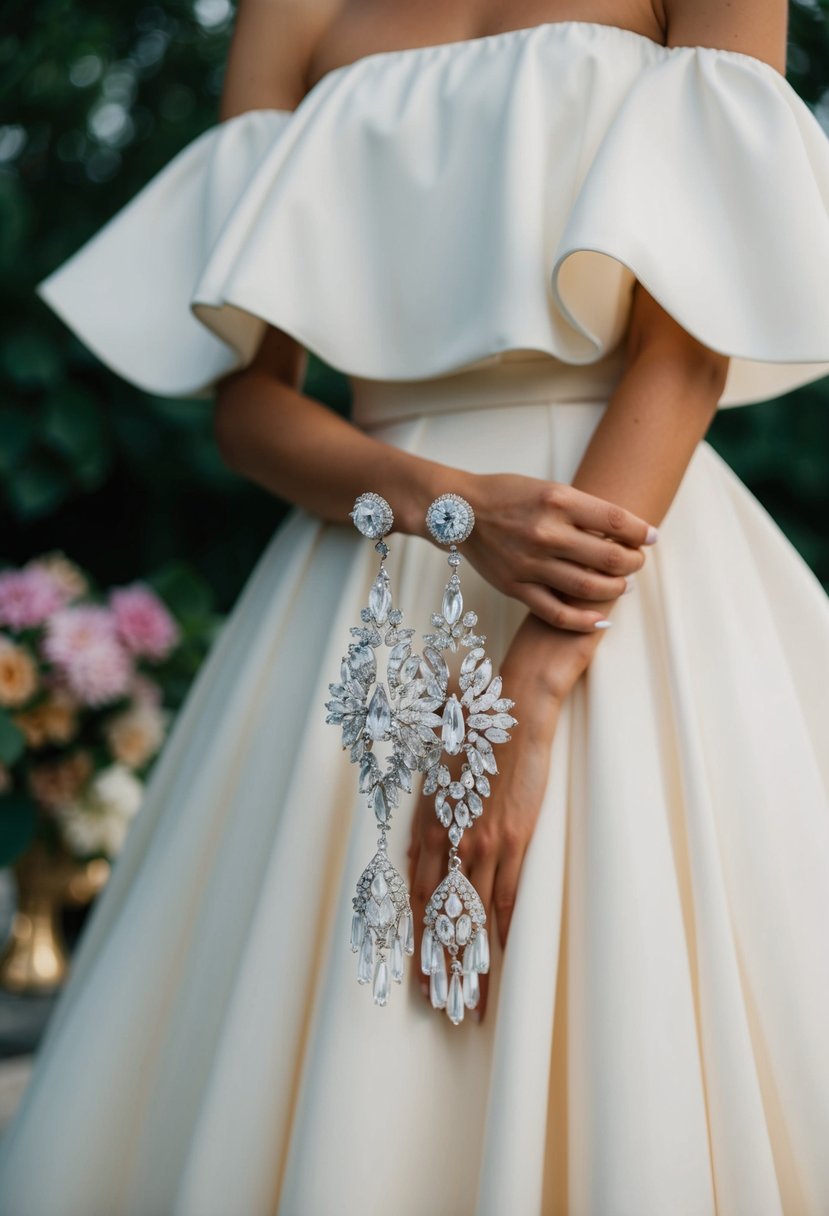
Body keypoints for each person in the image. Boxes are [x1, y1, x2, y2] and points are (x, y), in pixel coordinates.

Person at [2, 0, 829, 1212]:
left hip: (629, 571)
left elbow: (687, 341)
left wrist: (533, 683)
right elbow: (250, 408)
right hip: (366, 576)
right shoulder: (291, 10)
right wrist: (453, 506)